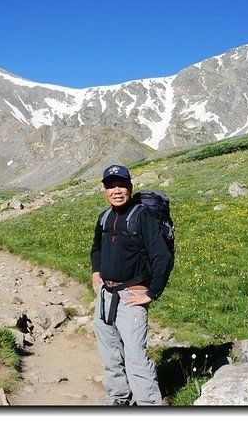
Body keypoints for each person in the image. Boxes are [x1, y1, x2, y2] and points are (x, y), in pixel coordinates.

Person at [90, 164, 173, 406]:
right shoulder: (104, 217)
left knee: (136, 357)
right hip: (105, 295)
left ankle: (149, 404)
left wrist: (152, 292)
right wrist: (96, 271)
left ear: (130, 187)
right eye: (111, 185)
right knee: (110, 354)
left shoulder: (142, 217)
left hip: (132, 295)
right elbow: (96, 248)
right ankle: (119, 399)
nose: (116, 190)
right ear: (105, 190)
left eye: (121, 185)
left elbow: (162, 257)